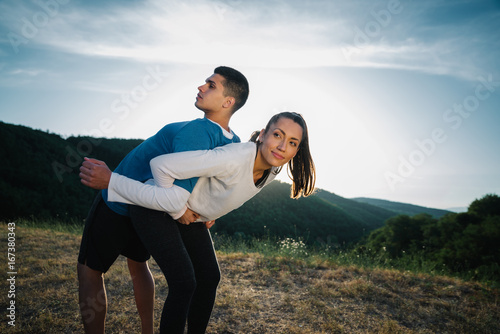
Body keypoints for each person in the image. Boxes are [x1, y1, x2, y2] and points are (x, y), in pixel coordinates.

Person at [80, 111, 316, 333]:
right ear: (263, 134)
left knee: (209, 277)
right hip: (153, 207)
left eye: (293, 143)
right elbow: (161, 165)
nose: (283, 147)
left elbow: (232, 191)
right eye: (278, 135)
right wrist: (176, 207)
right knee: (184, 283)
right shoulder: (235, 156)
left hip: (190, 213)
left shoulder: (273, 168)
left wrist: (210, 212)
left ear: (297, 151)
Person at [77, 66, 249, 334]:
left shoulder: (198, 131)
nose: (201, 87)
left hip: (120, 203)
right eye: (205, 82)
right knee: (138, 265)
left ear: (228, 102)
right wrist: (209, 210)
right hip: (149, 212)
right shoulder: (234, 142)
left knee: (90, 272)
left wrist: (185, 211)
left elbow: (179, 193)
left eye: (211, 85)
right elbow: (215, 183)